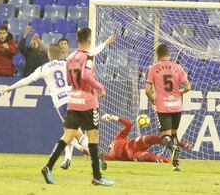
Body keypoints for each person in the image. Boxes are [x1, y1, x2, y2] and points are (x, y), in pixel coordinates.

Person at [41, 28, 115, 186]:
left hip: (73, 100)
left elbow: (69, 81)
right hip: (88, 101)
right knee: (93, 137)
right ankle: (97, 176)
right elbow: (86, 76)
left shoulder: (70, 57)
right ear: (89, 41)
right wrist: (100, 87)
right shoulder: (87, 56)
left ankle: (48, 167)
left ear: (77, 39)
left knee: (67, 136)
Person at [145, 44, 191, 171]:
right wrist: (179, 93)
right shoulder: (178, 67)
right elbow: (188, 87)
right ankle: (175, 164)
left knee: (165, 135)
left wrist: (153, 100)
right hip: (177, 105)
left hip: (162, 106)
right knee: (174, 133)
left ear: (157, 55)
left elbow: (147, 90)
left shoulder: (153, 68)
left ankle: (173, 148)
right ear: (169, 54)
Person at [101, 113, 192, 163]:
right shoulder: (110, 156)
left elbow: (129, 125)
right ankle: (168, 159)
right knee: (149, 156)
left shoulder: (117, 138)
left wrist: (113, 117)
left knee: (155, 139)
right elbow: (99, 157)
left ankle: (181, 145)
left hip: (134, 145)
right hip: (133, 152)